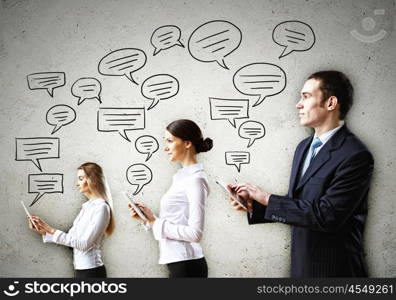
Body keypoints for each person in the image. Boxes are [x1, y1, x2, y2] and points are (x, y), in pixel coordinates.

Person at [229, 71, 374, 277]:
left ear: (331, 103)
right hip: (301, 269)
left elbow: (327, 215)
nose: (298, 104)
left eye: (306, 97)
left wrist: (268, 198)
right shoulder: (303, 147)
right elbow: (299, 203)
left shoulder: (355, 155)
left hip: (335, 272)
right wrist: (255, 206)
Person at [128, 119, 213, 277]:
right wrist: (148, 219)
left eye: (169, 141)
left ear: (187, 143)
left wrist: (155, 222)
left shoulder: (195, 180)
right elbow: (176, 220)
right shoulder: (181, 177)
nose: (165, 147)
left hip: (187, 265)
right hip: (179, 262)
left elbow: (195, 233)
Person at [27, 162, 115, 278]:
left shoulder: (101, 208)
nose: (77, 184)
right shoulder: (87, 207)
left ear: (92, 180)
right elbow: (72, 240)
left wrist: (52, 230)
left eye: (80, 179)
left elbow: (84, 244)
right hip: (81, 270)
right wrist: (45, 231)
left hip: (92, 272)